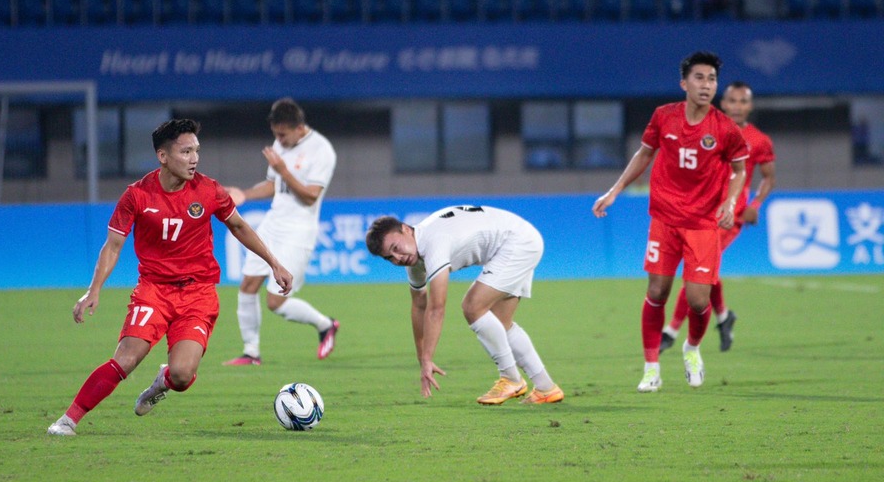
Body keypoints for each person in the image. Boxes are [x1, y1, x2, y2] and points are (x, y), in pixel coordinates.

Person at [47, 119, 292, 436]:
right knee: (127, 358)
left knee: (181, 376)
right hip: (154, 291)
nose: (194, 159)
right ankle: (68, 420)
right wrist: (93, 290)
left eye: (196, 151)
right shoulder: (137, 196)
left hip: (198, 294)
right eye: (186, 151)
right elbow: (113, 246)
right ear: (163, 156)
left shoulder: (208, 190)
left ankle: (161, 382)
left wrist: (274, 263)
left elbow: (240, 227)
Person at [592, 51, 749, 393]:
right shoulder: (664, 117)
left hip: (703, 224)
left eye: (712, 79)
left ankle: (692, 349)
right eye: (699, 78)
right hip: (664, 219)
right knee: (657, 291)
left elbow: (739, 169)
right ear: (684, 83)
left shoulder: (724, 128)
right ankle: (651, 369)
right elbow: (644, 153)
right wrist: (615, 190)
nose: (706, 85)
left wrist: (731, 200)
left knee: (697, 301)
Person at [365, 205, 564, 405]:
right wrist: (422, 358)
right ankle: (546, 388)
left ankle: (511, 379)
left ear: (406, 229)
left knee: (472, 306)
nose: (398, 258)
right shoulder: (414, 258)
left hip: (518, 242)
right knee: (500, 323)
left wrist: (428, 357)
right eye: (389, 257)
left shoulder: (433, 241)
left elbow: (436, 308)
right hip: (518, 239)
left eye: (396, 248)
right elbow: (418, 306)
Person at [660, 81, 776, 354]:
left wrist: (756, 204)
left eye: (743, 101)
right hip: (699, 211)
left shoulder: (759, 140)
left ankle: (671, 331)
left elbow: (769, 178)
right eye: (733, 101)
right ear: (723, 103)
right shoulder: (708, 130)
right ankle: (724, 317)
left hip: (729, 216)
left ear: (750, 106)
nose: (737, 106)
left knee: (696, 272)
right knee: (706, 272)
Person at [222, 98, 339, 367]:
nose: (279, 140)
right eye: (275, 134)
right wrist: (245, 194)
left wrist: (283, 170)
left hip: (299, 231)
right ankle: (251, 353)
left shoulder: (322, 151)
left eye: (282, 135)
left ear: (299, 128)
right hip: (273, 223)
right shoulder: (280, 143)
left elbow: (311, 196)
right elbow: (274, 185)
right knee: (247, 285)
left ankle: (326, 325)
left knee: (276, 301)